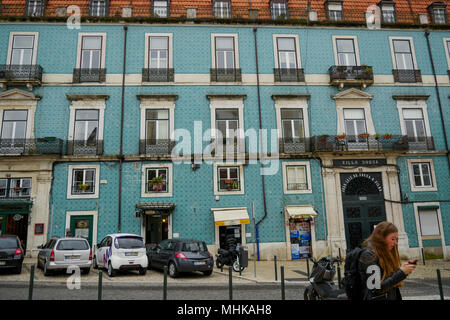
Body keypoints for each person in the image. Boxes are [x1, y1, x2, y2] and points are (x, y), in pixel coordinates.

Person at [359, 221, 417, 300]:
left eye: (397, 239)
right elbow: (375, 289)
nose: (396, 243)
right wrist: (401, 273)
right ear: (381, 238)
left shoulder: (385, 254)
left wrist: (404, 270)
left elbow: (390, 282)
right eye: (393, 239)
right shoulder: (368, 255)